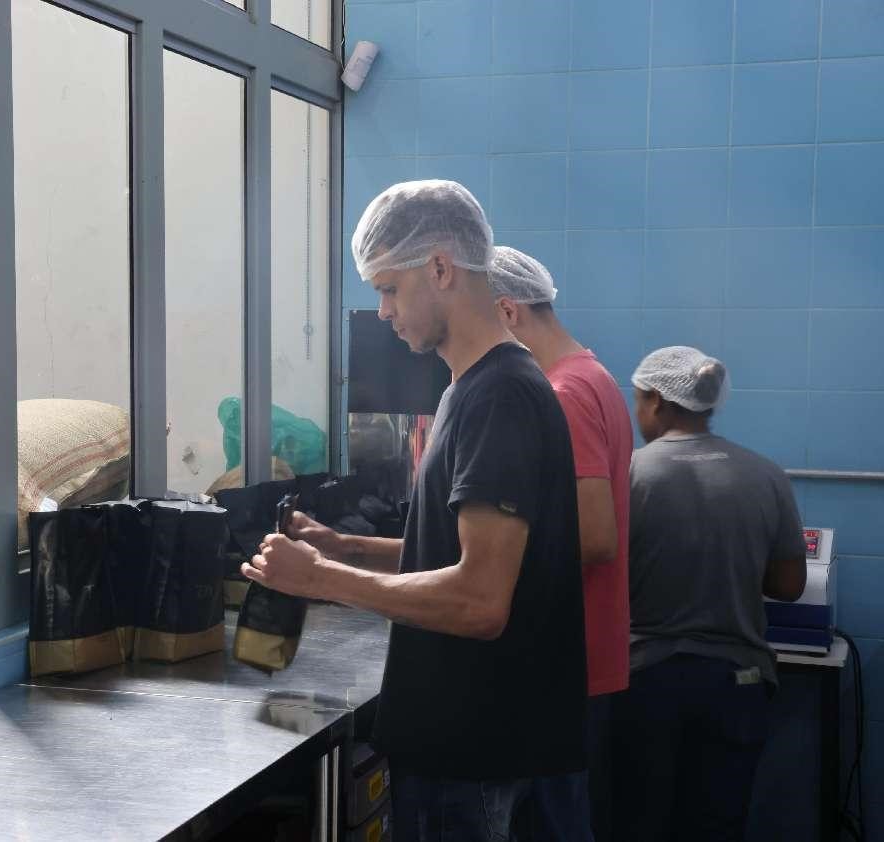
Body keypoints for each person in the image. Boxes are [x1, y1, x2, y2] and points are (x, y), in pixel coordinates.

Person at [240, 180, 587, 842]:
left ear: (440, 268)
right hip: (483, 744)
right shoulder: (471, 389)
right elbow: (462, 552)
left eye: (389, 289)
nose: (382, 312)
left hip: (473, 755)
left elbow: (479, 601)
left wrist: (320, 579)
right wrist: (345, 547)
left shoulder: (499, 397)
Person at [612, 346, 807, 842]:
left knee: (637, 823)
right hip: (737, 682)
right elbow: (790, 586)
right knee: (717, 825)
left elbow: (599, 569)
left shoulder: (629, 474)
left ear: (656, 401)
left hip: (645, 680)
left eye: (637, 400)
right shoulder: (766, 474)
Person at [488, 246, 633, 842]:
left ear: (508, 312)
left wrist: (489, 563)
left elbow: (595, 537)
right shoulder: (593, 376)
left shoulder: (564, 392)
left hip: (564, 661)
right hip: (583, 654)